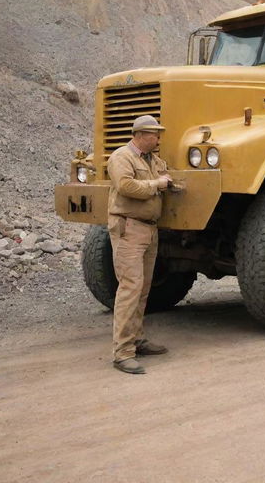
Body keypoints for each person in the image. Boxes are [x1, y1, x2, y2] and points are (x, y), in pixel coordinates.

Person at [107, 114, 173, 374]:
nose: (158, 139)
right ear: (142, 135)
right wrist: (156, 184)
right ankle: (122, 353)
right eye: (155, 134)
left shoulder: (153, 160)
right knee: (130, 289)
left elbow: (165, 174)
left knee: (143, 289)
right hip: (129, 228)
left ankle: (137, 339)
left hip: (148, 229)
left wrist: (165, 179)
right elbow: (125, 186)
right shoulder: (121, 157)